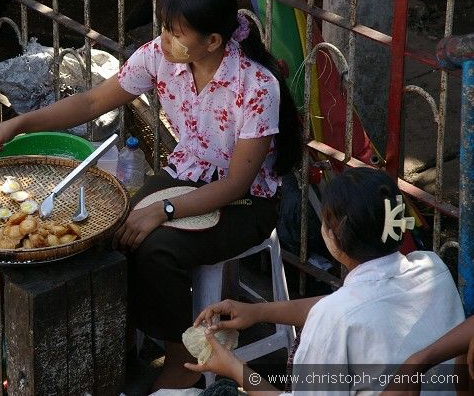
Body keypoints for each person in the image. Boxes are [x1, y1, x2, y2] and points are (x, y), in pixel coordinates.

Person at [0, 0, 302, 390]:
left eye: (176, 33)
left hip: (246, 201)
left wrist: (161, 211)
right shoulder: (160, 56)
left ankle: (181, 358)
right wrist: (17, 125)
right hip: (188, 172)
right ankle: (119, 345)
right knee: (111, 230)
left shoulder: (256, 87)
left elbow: (234, 186)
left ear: (213, 41)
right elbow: (91, 101)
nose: (164, 40)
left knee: (156, 248)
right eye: (164, 28)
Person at [185, 167, 465, 395]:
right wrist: (258, 312)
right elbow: (350, 305)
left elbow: (341, 312)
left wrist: (235, 369)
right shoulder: (432, 267)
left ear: (334, 236)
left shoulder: (336, 318)